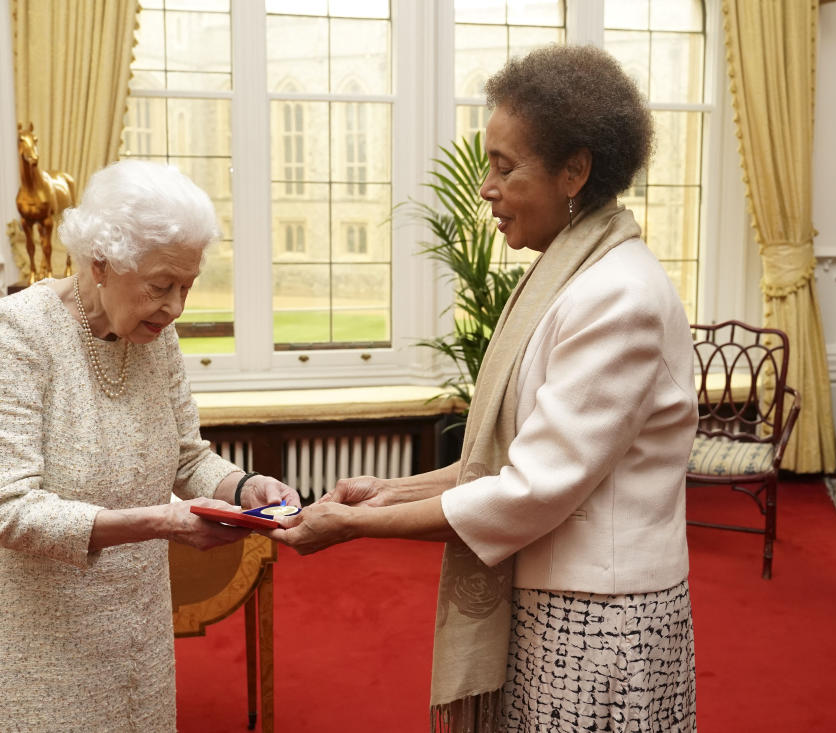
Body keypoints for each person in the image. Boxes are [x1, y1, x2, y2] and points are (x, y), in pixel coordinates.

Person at [271, 44, 698, 733]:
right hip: (555, 603)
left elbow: (530, 489)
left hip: (598, 626)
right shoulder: (572, 273)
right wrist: (394, 490)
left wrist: (356, 523)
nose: (484, 188)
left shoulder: (617, 295)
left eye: (503, 167)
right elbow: (513, 461)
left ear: (574, 171)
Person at [0, 159, 299, 732]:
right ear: (101, 263)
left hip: (136, 639)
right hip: (36, 648)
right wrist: (164, 523)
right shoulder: (12, 333)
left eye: (187, 286)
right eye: (161, 285)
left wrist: (244, 487)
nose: (176, 309)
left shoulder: (154, 336)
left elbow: (189, 458)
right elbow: (8, 509)